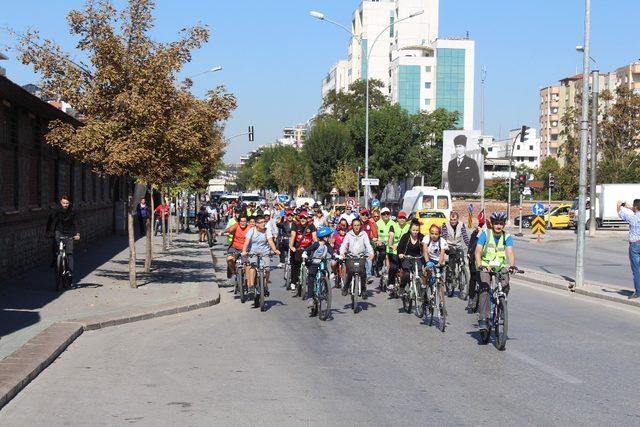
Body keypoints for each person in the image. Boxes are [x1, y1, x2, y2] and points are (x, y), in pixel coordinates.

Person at [474, 211, 516, 331]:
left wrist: (512, 266)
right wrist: (480, 265)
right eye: (496, 223)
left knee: (505, 285)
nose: (498, 226)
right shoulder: (485, 234)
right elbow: (478, 251)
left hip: (500, 266)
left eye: (501, 223)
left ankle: (502, 307)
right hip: (485, 266)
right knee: (485, 289)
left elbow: (510, 253)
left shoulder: (506, 236)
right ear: (492, 224)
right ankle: (483, 318)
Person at [241, 215, 280, 297]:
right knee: (252, 267)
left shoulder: (267, 231)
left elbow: (270, 241)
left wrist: (274, 250)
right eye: (261, 222)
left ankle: (265, 285)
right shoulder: (252, 231)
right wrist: (244, 251)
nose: (263, 224)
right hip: (253, 252)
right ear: (256, 224)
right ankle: (251, 286)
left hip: (265, 252)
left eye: (264, 222)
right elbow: (246, 242)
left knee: (267, 269)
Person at [46, 196, 81, 283]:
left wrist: (77, 234)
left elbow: (77, 223)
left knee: (69, 253)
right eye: (63, 203)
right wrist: (48, 232)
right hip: (59, 231)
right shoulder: (56, 211)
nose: (65, 205)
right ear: (61, 203)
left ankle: (70, 272)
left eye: (67, 203)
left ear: (70, 203)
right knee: (55, 245)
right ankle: (56, 260)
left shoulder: (73, 211)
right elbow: (50, 221)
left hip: (70, 233)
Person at [340, 218, 374, 299]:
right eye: (355, 225)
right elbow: (344, 245)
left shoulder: (364, 234)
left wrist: (371, 253)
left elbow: (368, 245)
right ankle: (346, 287)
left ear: (360, 226)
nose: (356, 227)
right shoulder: (348, 234)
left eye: (358, 225)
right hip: (350, 257)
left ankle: (363, 290)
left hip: (361, 256)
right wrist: (342, 252)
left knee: (362, 272)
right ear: (352, 226)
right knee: (351, 271)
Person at [302, 226, 334, 309]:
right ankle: (310, 298)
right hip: (314, 263)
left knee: (326, 274)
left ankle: (326, 291)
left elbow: (332, 253)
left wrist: (337, 256)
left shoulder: (328, 246)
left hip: (322, 264)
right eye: (329, 236)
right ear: (324, 237)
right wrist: (305, 253)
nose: (330, 238)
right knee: (311, 278)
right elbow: (308, 249)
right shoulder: (316, 244)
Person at [441, 211, 471, 299]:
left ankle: (462, 273)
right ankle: (450, 275)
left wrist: (469, 246)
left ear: (457, 219)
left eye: (454, 219)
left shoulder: (461, 225)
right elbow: (444, 236)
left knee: (461, 260)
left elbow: (465, 236)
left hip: (458, 245)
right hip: (449, 246)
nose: (453, 221)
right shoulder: (445, 225)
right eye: (451, 219)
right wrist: (444, 245)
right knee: (452, 259)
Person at [289, 211, 318, 292]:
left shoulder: (311, 226)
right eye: (301, 217)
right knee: (295, 265)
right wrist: (291, 246)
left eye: (304, 218)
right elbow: (293, 236)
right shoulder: (295, 225)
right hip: (297, 248)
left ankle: (310, 282)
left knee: (310, 265)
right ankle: (293, 282)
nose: (302, 219)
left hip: (307, 248)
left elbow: (314, 237)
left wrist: (316, 245)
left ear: (307, 218)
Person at [220, 214, 252, 285]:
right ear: (239, 222)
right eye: (241, 221)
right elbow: (229, 229)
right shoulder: (236, 225)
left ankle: (248, 281)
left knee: (247, 264)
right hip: (234, 248)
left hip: (246, 249)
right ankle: (234, 274)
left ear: (247, 222)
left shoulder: (250, 228)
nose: (243, 223)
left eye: (245, 221)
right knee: (229, 259)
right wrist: (223, 232)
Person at [617, 200, 640, 299]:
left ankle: (638, 292)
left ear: (635, 207)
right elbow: (637, 210)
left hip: (635, 245)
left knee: (636, 270)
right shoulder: (634, 215)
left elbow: (620, 213)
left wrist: (619, 206)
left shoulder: (632, 218)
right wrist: (629, 207)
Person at [397, 219, 424, 295]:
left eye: (417, 230)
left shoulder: (421, 237)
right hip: (406, 257)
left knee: (420, 273)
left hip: (417, 257)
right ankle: (402, 287)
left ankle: (421, 292)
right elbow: (399, 248)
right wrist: (400, 254)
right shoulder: (405, 237)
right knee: (407, 274)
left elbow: (426, 245)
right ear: (410, 229)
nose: (415, 232)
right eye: (414, 230)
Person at [422, 224, 448, 305]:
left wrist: (440, 263)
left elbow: (442, 254)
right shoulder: (426, 238)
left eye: (436, 234)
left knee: (438, 279)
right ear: (429, 233)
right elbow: (425, 251)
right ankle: (424, 285)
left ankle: (441, 301)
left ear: (439, 234)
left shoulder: (442, 241)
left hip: (438, 260)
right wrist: (427, 262)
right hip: (429, 259)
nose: (434, 235)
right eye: (432, 233)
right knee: (427, 272)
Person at [466, 214, 485, 311]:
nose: (480, 228)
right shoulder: (475, 234)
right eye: (480, 226)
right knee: (473, 278)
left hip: (485, 261)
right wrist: (469, 253)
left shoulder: (488, 235)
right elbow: (471, 245)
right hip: (474, 259)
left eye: (483, 226)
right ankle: (471, 297)